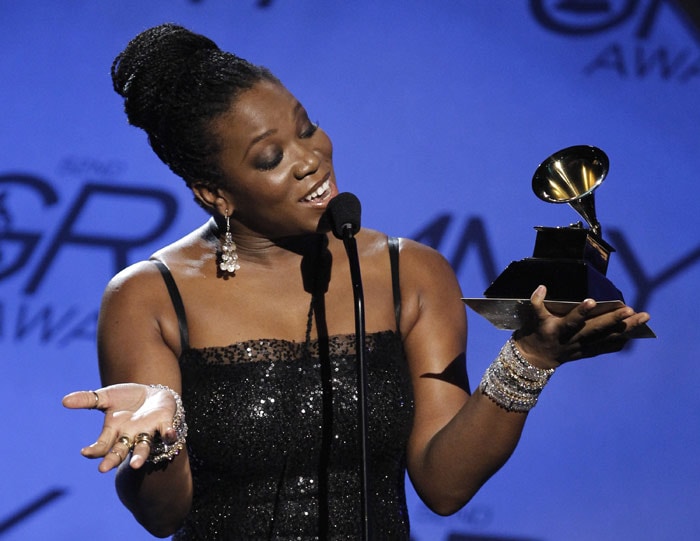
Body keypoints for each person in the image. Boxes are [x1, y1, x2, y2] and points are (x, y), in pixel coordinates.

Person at [62, 23, 651, 540]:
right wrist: (159, 441)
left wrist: (531, 357)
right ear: (214, 194)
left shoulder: (410, 273)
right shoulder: (148, 296)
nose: (310, 157)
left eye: (307, 127)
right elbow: (163, 517)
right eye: (270, 158)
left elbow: (445, 486)